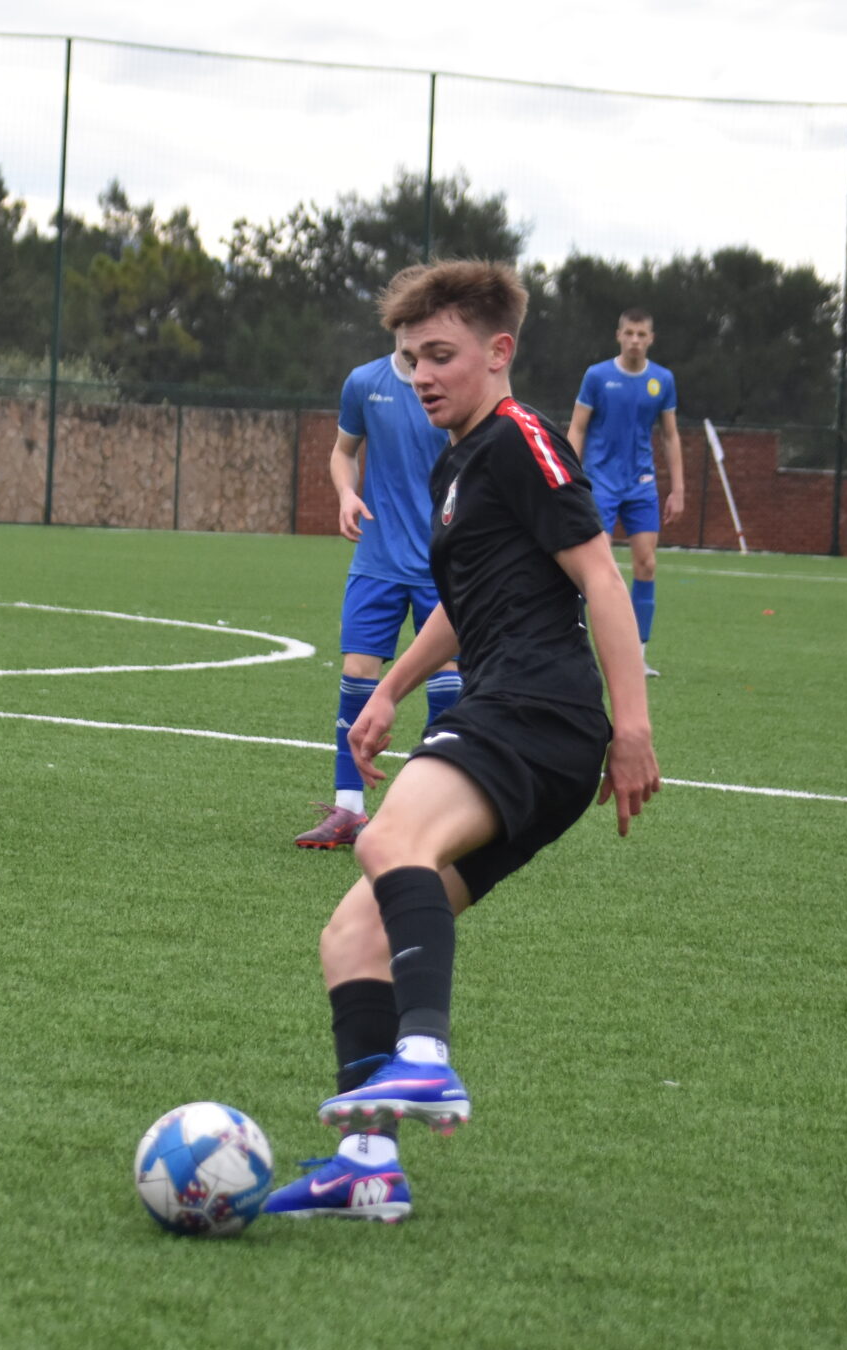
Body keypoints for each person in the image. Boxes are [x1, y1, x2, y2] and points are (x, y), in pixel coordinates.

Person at [263, 260, 661, 1225]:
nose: (422, 375)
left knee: (388, 839)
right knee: (352, 933)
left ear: (498, 351)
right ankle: (368, 1165)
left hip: (536, 711)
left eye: (440, 355)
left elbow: (601, 578)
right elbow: (465, 601)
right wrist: (390, 687)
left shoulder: (523, 438)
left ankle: (425, 1056)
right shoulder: (459, 461)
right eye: (409, 359)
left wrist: (634, 727)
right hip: (510, 713)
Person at [295, 338, 459, 851]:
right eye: (406, 329)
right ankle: (348, 809)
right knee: (357, 671)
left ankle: (431, 811)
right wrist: (346, 493)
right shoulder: (365, 383)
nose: (414, 342)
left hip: (441, 560)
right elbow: (343, 452)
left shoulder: (454, 385)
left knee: (447, 675)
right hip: (377, 560)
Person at [566, 309, 682, 676]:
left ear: (651, 339)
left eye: (641, 334)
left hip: (641, 485)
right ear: (618, 335)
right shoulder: (597, 376)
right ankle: (576, 647)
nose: (635, 340)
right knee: (594, 568)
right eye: (629, 333)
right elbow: (577, 428)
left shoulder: (662, 380)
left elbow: (670, 435)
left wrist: (678, 488)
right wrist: (568, 476)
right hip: (599, 482)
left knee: (646, 563)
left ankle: (638, 653)